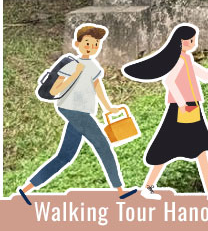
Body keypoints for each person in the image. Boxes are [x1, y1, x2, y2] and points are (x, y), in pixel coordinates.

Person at [18, 24, 137, 205]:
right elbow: (56, 89)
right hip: (72, 109)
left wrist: (109, 108)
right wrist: (75, 75)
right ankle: (120, 190)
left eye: (96, 44)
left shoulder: (94, 66)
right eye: (87, 43)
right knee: (103, 147)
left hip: (83, 111)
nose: (91, 47)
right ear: (77, 43)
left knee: (65, 156)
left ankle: (26, 189)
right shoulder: (73, 64)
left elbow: (97, 88)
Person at [122, 24, 208, 204]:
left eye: (194, 39)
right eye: (191, 40)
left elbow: (206, 76)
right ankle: (149, 187)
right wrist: (183, 103)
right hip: (181, 109)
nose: (194, 43)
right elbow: (169, 81)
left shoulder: (187, 58)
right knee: (167, 149)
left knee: (200, 149)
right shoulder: (178, 60)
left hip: (192, 107)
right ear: (181, 42)